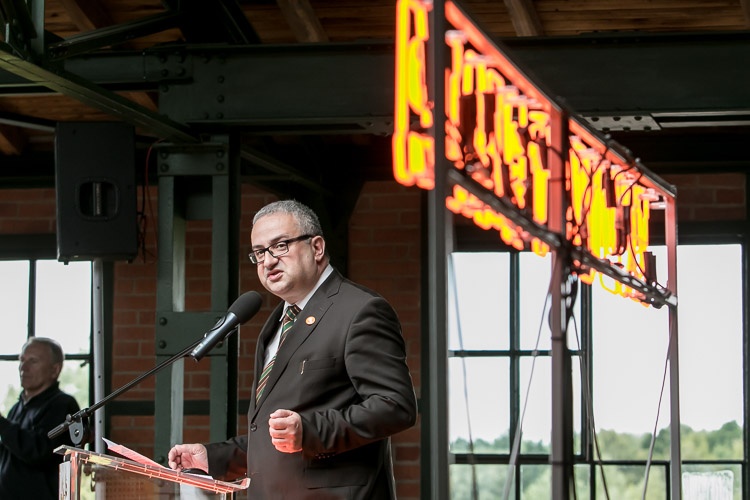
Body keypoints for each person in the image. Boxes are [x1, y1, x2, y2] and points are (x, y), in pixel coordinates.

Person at [169, 199, 418, 498]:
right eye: (259, 252)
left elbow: (395, 406)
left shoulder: (360, 311)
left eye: (280, 246)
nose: (268, 261)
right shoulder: (276, 324)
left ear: (317, 248)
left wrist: (311, 432)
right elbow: (279, 435)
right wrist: (215, 458)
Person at [0, 337, 81, 500]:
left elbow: (40, 451)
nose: (23, 367)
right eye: (22, 360)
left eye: (33, 361)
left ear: (55, 370)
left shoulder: (62, 405)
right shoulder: (16, 408)